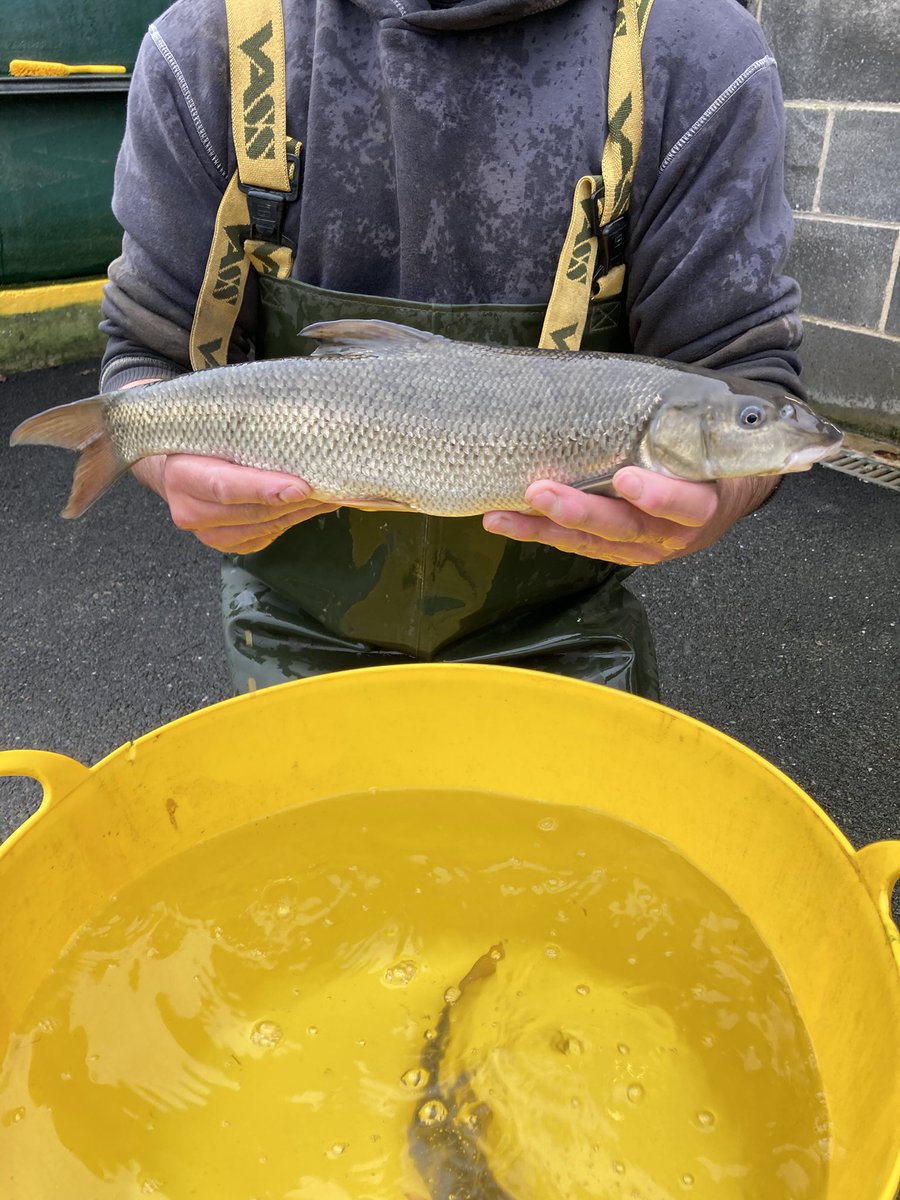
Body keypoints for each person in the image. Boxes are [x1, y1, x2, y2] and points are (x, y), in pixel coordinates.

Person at [99, 0, 801, 699]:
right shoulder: (211, 42)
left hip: (566, 634)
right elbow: (146, 349)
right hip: (288, 629)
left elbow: (744, 369)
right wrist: (153, 448)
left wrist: (723, 495)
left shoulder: (696, 51)